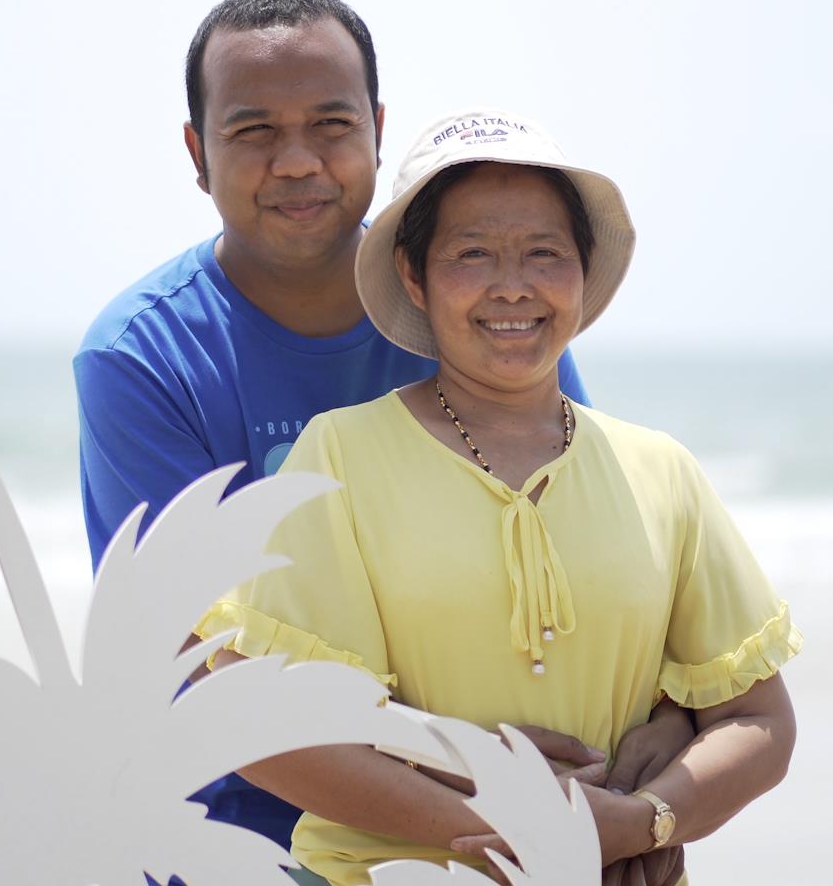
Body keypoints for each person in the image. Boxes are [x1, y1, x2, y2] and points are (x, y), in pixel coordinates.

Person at [73, 0, 693, 858]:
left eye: (331, 124)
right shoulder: (144, 356)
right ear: (197, 153)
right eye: (254, 131)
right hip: (234, 843)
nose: (297, 162)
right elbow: (189, 663)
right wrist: (474, 781)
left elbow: (592, 553)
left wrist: (659, 751)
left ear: (376, 131)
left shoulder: (483, 310)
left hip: (506, 833)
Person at [197, 109, 802, 886]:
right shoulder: (340, 455)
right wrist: (514, 831)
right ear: (414, 276)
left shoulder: (661, 469)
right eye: (472, 253)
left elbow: (758, 720)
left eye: (544, 253)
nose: (513, 285)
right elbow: (265, 727)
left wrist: (650, 819)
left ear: (582, 270)